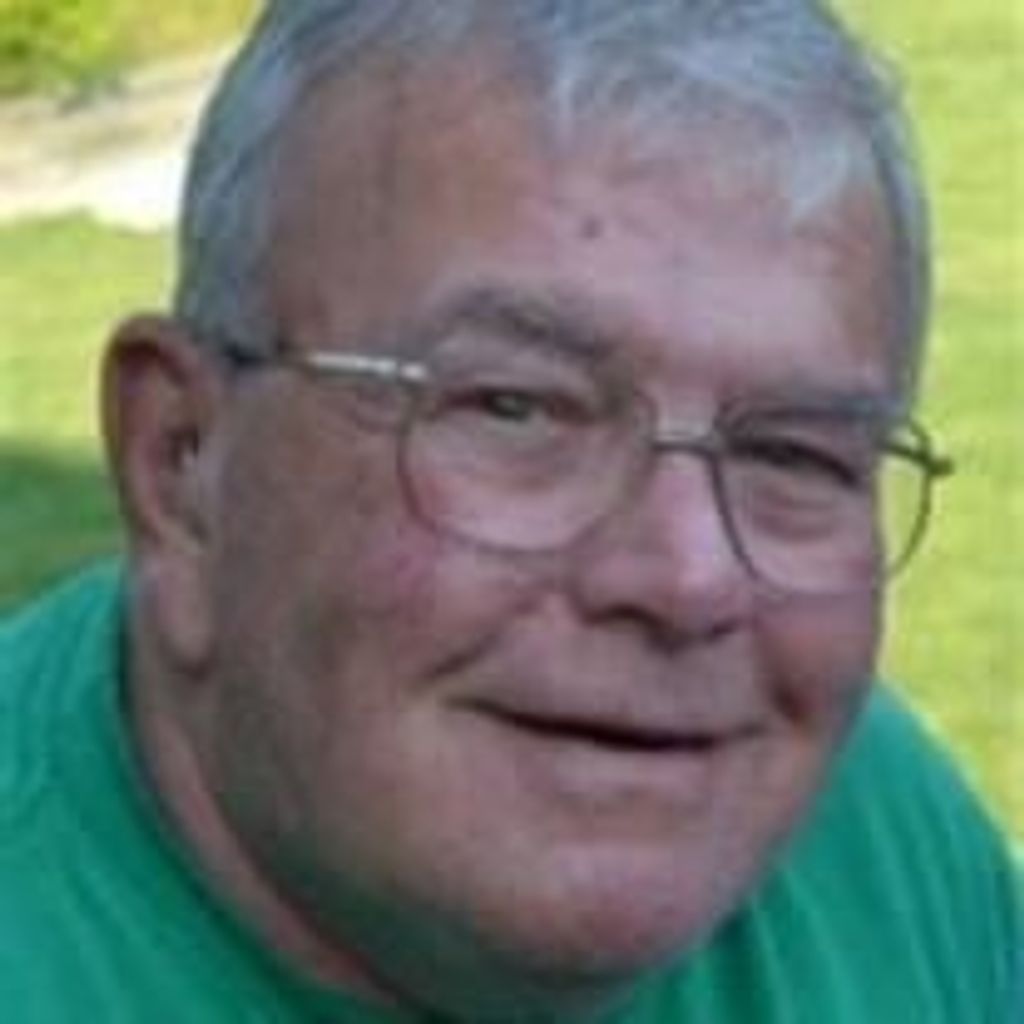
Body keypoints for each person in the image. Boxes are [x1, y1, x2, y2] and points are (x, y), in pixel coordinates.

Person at [1, 0, 1021, 1019]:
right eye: (516, 408)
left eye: (794, 452)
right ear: (182, 464)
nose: (690, 578)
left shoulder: (873, 842)